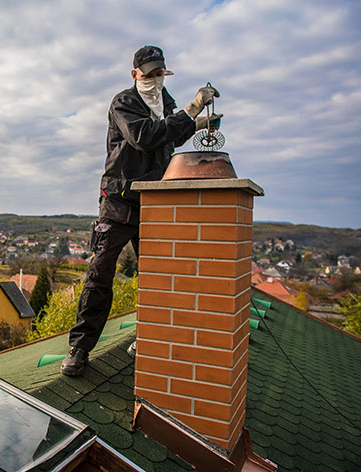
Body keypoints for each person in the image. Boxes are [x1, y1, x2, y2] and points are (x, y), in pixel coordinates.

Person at [61, 45, 222, 376]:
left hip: (154, 202)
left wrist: (198, 122)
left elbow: (169, 138)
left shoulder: (166, 103)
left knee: (159, 275)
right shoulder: (124, 102)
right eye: (148, 74)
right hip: (119, 202)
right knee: (101, 271)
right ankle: (80, 347)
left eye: (159, 73)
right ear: (135, 74)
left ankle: (148, 336)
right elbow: (143, 137)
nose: (154, 79)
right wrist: (192, 110)